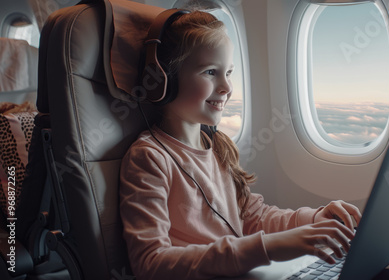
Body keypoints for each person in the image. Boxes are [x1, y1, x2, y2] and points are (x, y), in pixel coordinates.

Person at [119, 10, 363, 280]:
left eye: (229, 72)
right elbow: (151, 264)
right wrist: (269, 247)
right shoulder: (149, 158)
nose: (226, 87)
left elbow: (253, 217)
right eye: (211, 72)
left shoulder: (217, 147)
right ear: (165, 78)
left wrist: (314, 220)